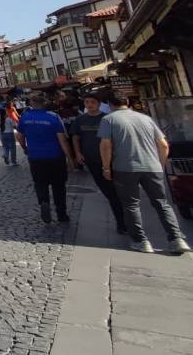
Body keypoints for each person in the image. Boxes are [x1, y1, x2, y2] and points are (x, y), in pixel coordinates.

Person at [99, 94, 189, 254]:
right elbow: (163, 144)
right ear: (127, 103)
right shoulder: (145, 118)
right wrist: (159, 164)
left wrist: (106, 168)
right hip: (152, 166)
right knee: (162, 203)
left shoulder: (109, 119)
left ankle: (141, 241)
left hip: (125, 167)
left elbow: (106, 145)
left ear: (110, 104)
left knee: (131, 205)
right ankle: (177, 239)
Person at [70, 94, 126, 234]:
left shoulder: (106, 119)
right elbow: (76, 137)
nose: (89, 105)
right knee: (108, 192)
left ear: (99, 103)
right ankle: (122, 220)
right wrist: (77, 153)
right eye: (87, 102)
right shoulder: (80, 119)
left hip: (111, 160)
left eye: (92, 102)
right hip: (92, 160)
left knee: (117, 193)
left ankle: (123, 222)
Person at [16, 94, 74, 223]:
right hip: (55, 157)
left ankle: (44, 202)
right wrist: (70, 158)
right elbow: (62, 139)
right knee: (59, 186)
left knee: (40, 184)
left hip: (35, 157)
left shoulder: (25, 117)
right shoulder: (53, 117)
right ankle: (61, 213)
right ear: (45, 103)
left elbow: (19, 137)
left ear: (31, 103)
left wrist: (25, 148)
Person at [0, 99, 19, 166]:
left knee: (5, 147)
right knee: (12, 148)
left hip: (2, 134)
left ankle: (6, 155)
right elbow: (14, 126)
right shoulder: (9, 119)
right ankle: (13, 161)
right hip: (10, 134)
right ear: (5, 113)